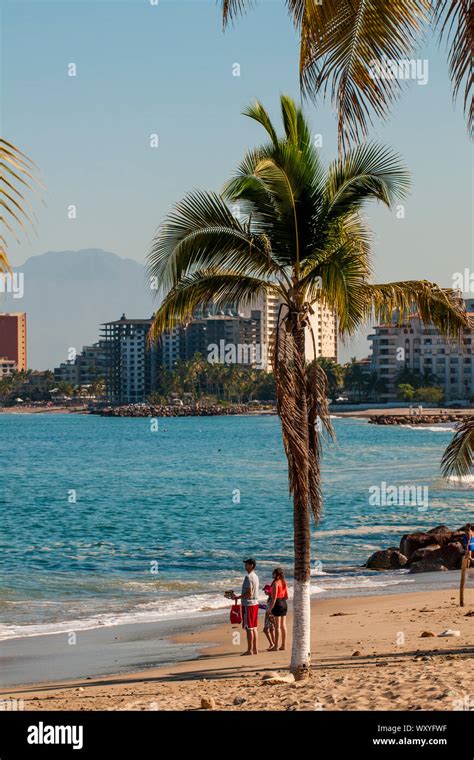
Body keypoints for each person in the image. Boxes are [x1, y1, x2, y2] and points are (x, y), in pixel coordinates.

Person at [232, 558, 259, 655]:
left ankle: (250, 650)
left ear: (251, 565)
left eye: (246, 564)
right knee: (254, 627)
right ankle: (255, 649)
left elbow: (249, 593)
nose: (245, 566)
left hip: (248, 605)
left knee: (249, 628)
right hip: (255, 604)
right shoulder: (255, 576)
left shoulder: (248, 577)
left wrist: (238, 597)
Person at [267, 567, 288, 651]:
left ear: (277, 575)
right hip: (284, 603)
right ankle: (283, 645)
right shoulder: (283, 582)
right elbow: (287, 596)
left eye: (274, 573)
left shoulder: (275, 583)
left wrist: (270, 609)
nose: (273, 574)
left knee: (277, 627)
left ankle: (276, 646)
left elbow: (274, 598)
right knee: (283, 626)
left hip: (277, 603)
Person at [261, 583, 275, 650]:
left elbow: (269, 608)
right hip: (272, 616)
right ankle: (274, 643)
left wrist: (267, 616)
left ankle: (271, 643)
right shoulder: (271, 597)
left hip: (269, 616)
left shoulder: (271, 598)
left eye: (266, 591)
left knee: (265, 630)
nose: (264, 592)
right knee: (271, 630)